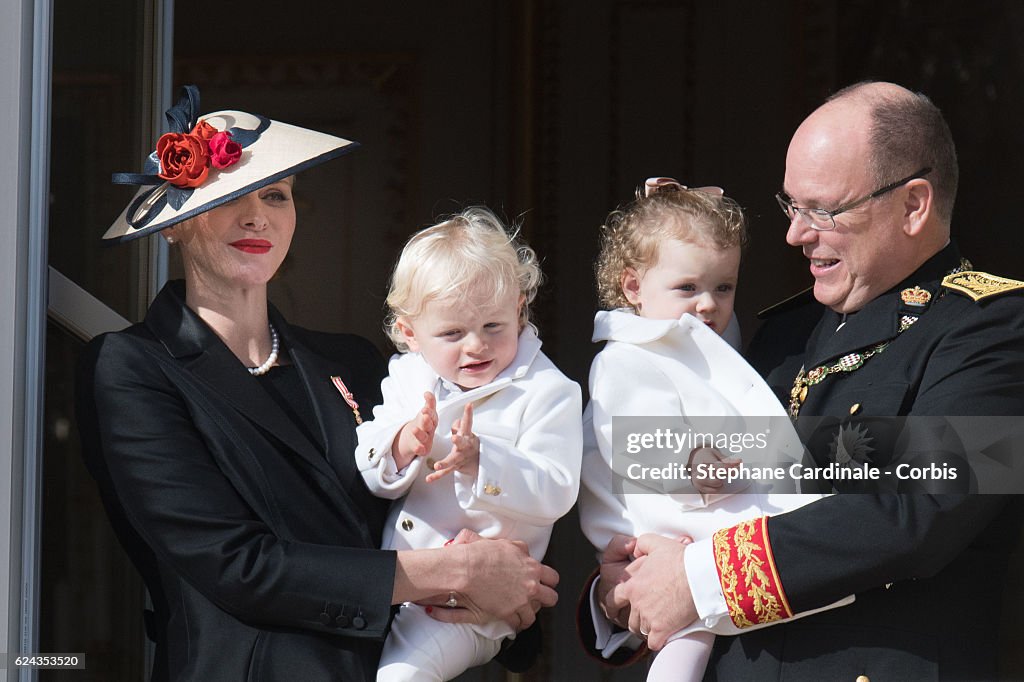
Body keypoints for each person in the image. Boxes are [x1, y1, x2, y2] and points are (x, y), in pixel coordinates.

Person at [75, 86, 558, 682]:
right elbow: (238, 566)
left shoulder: (352, 360)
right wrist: (455, 572)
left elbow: (434, 505)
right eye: (228, 196)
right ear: (175, 227)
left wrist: (503, 587)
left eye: (276, 195)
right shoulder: (133, 368)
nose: (257, 216)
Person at [594, 81, 1024, 681]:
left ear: (914, 204)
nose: (796, 233)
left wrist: (698, 578)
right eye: (791, 206)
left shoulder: (993, 326)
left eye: (824, 210)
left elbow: (926, 498)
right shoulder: (780, 334)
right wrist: (630, 581)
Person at [577, 178, 850, 682]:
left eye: (723, 288)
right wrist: (693, 465)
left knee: (692, 631)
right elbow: (636, 438)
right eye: (688, 288)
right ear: (633, 286)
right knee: (791, 555)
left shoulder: (687, 336)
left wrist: (691, 214)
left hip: (702, 508)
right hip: (670, 507)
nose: (708, 304)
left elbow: (723, 360)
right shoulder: (625, 360)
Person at [355, 207, 583, 681]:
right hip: (399, 578)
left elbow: (558, 489)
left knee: (401, 677)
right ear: (410, 333)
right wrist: (401, 444)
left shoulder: (548, 389)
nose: (476, 346)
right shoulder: (407, 375)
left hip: (477, 607)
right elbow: (370, 462)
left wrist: (483, 461)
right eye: (453, 333)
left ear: (519, 308)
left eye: (493, 327)